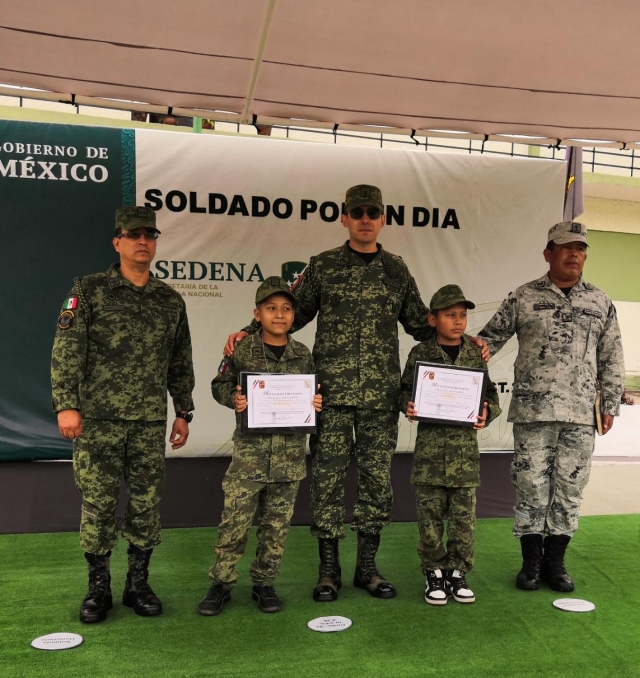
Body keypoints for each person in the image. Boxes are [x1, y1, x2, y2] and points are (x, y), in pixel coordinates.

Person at [225, 185, 489, 602]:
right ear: (345, 218)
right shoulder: (324, 266)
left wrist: (467, 338)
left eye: (373, 212)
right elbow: (289, 313)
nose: (366, 219)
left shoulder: (396, 270)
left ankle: (367, 566)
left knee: (375, 482)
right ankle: (328, 569)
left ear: (383, 219)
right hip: (328, 395)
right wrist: (249, 327)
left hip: (379, 397)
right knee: (327, 481)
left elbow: (422, 324)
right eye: (357, 212)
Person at [51, 205, 195, 623]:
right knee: (97, 504)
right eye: (134, 235)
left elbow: (179, 361)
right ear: (118, 242)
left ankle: (138, 584)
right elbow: (67, 352)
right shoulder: (90, 290)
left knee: (146, 505)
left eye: (149, 235)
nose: (142, 242)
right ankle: (99, 588)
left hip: (149, 421)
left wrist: (183, 410)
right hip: (98, 420)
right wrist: (67, 405)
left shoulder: (170, 300)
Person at [479, 221, 624, 592]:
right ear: (549, 254)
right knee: (530, 486)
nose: (574, 254)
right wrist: (454, 367)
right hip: (534, 413)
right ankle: (530, 564)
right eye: (565, 247)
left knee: (570, 489)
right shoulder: (524, 296)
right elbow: (488, 340)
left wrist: (610, 403)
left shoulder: (600, 302)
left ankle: (556, 564)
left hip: (580, 415)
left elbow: (611, 356)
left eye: (580, 248)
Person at [198, 277, 321, 616]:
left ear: (293, 315)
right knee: (234, 521)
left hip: (289, 458)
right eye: (271, 309)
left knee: (276, 526)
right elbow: (219, 383)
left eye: (285, 309)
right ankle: (221, 583)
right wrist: (233, 398)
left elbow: (310, 392)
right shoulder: (242, 350)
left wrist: (315, 402)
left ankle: (264, 583)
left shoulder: (302, 354)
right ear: (257, 313)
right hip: (249, 458)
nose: (279, 315)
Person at [399, 285, 501, 605]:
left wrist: (487, 413)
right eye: (449, 315)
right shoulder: (421, 354)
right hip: (430, 453)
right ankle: (433, 571)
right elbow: (403, 391)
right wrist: (408, 405)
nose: (458, 321)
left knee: (462, 518)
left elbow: (490, 395)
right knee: (429, 516)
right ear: (433, 319)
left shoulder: (475, 352)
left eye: (462, 315)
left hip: (464, 456)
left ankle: (457, 571)